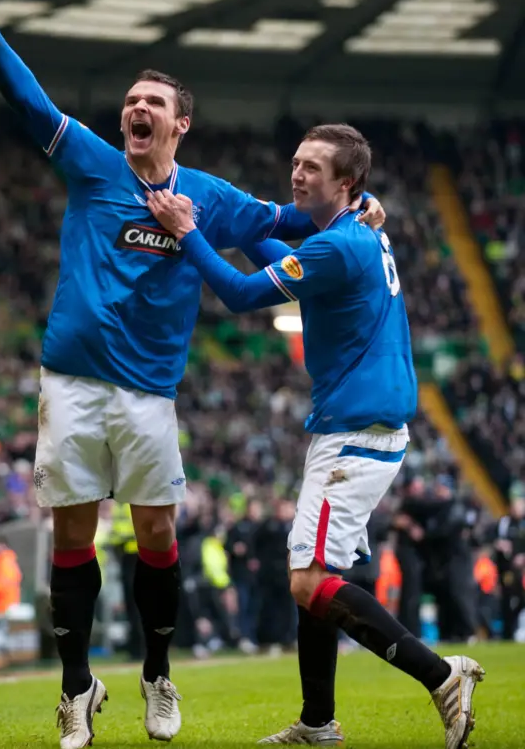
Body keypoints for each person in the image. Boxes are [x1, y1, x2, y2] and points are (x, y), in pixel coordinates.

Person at [0, 0, 387, 749]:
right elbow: (25, 95)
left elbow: (296, 217)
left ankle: (155, 671)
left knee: (155, 538)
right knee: (72, 538)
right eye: (131, 100)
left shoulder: (212, 200)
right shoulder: (90, 161)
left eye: (154, 102)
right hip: (70, 381)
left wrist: (361, 207)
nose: (136, 107)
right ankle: (76, 692)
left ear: (181, 123)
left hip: (148, 393)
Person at [147, 123, 485, 749]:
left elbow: (245, 295)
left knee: (306, 581)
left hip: (356, 432)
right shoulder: (353, 235)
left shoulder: (340, 246)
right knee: (316, 579)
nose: (297, 174)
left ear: (348, 182)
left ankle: (442, 677)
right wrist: (244, 235)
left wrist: (189, 233)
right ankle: (318, 722)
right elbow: (284, 264)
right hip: (362, 425)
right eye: (296, 162)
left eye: (312, 168)